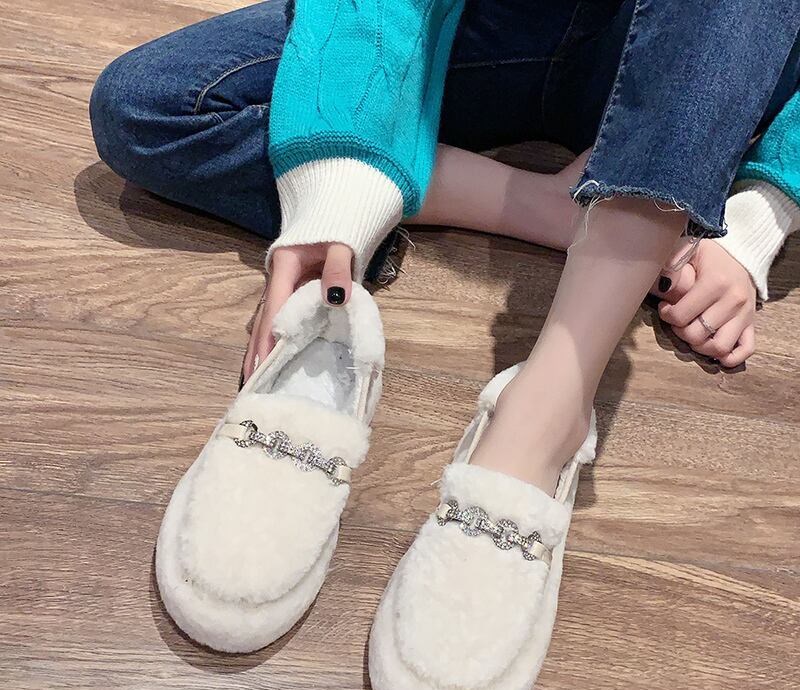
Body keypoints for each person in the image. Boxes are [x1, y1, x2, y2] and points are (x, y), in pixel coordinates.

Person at [89, 0, 800, 495]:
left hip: (703, 54)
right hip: (486, 24)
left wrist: (759, 215)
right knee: (150, 103)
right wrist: (338, 183)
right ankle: (557, 210)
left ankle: (554, 403)